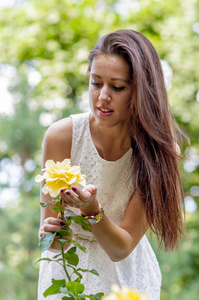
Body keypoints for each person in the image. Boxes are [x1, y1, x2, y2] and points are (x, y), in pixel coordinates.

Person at [38, 29, 188, 300]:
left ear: (143, 91)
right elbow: (51, 237)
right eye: (96, 83)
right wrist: (49, 232)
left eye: (117, 87)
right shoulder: (60, 136)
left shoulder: (159, 153)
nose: (103, 97)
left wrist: (91, 211)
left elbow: (121, 248)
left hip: (125, 278)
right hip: (66, 275)